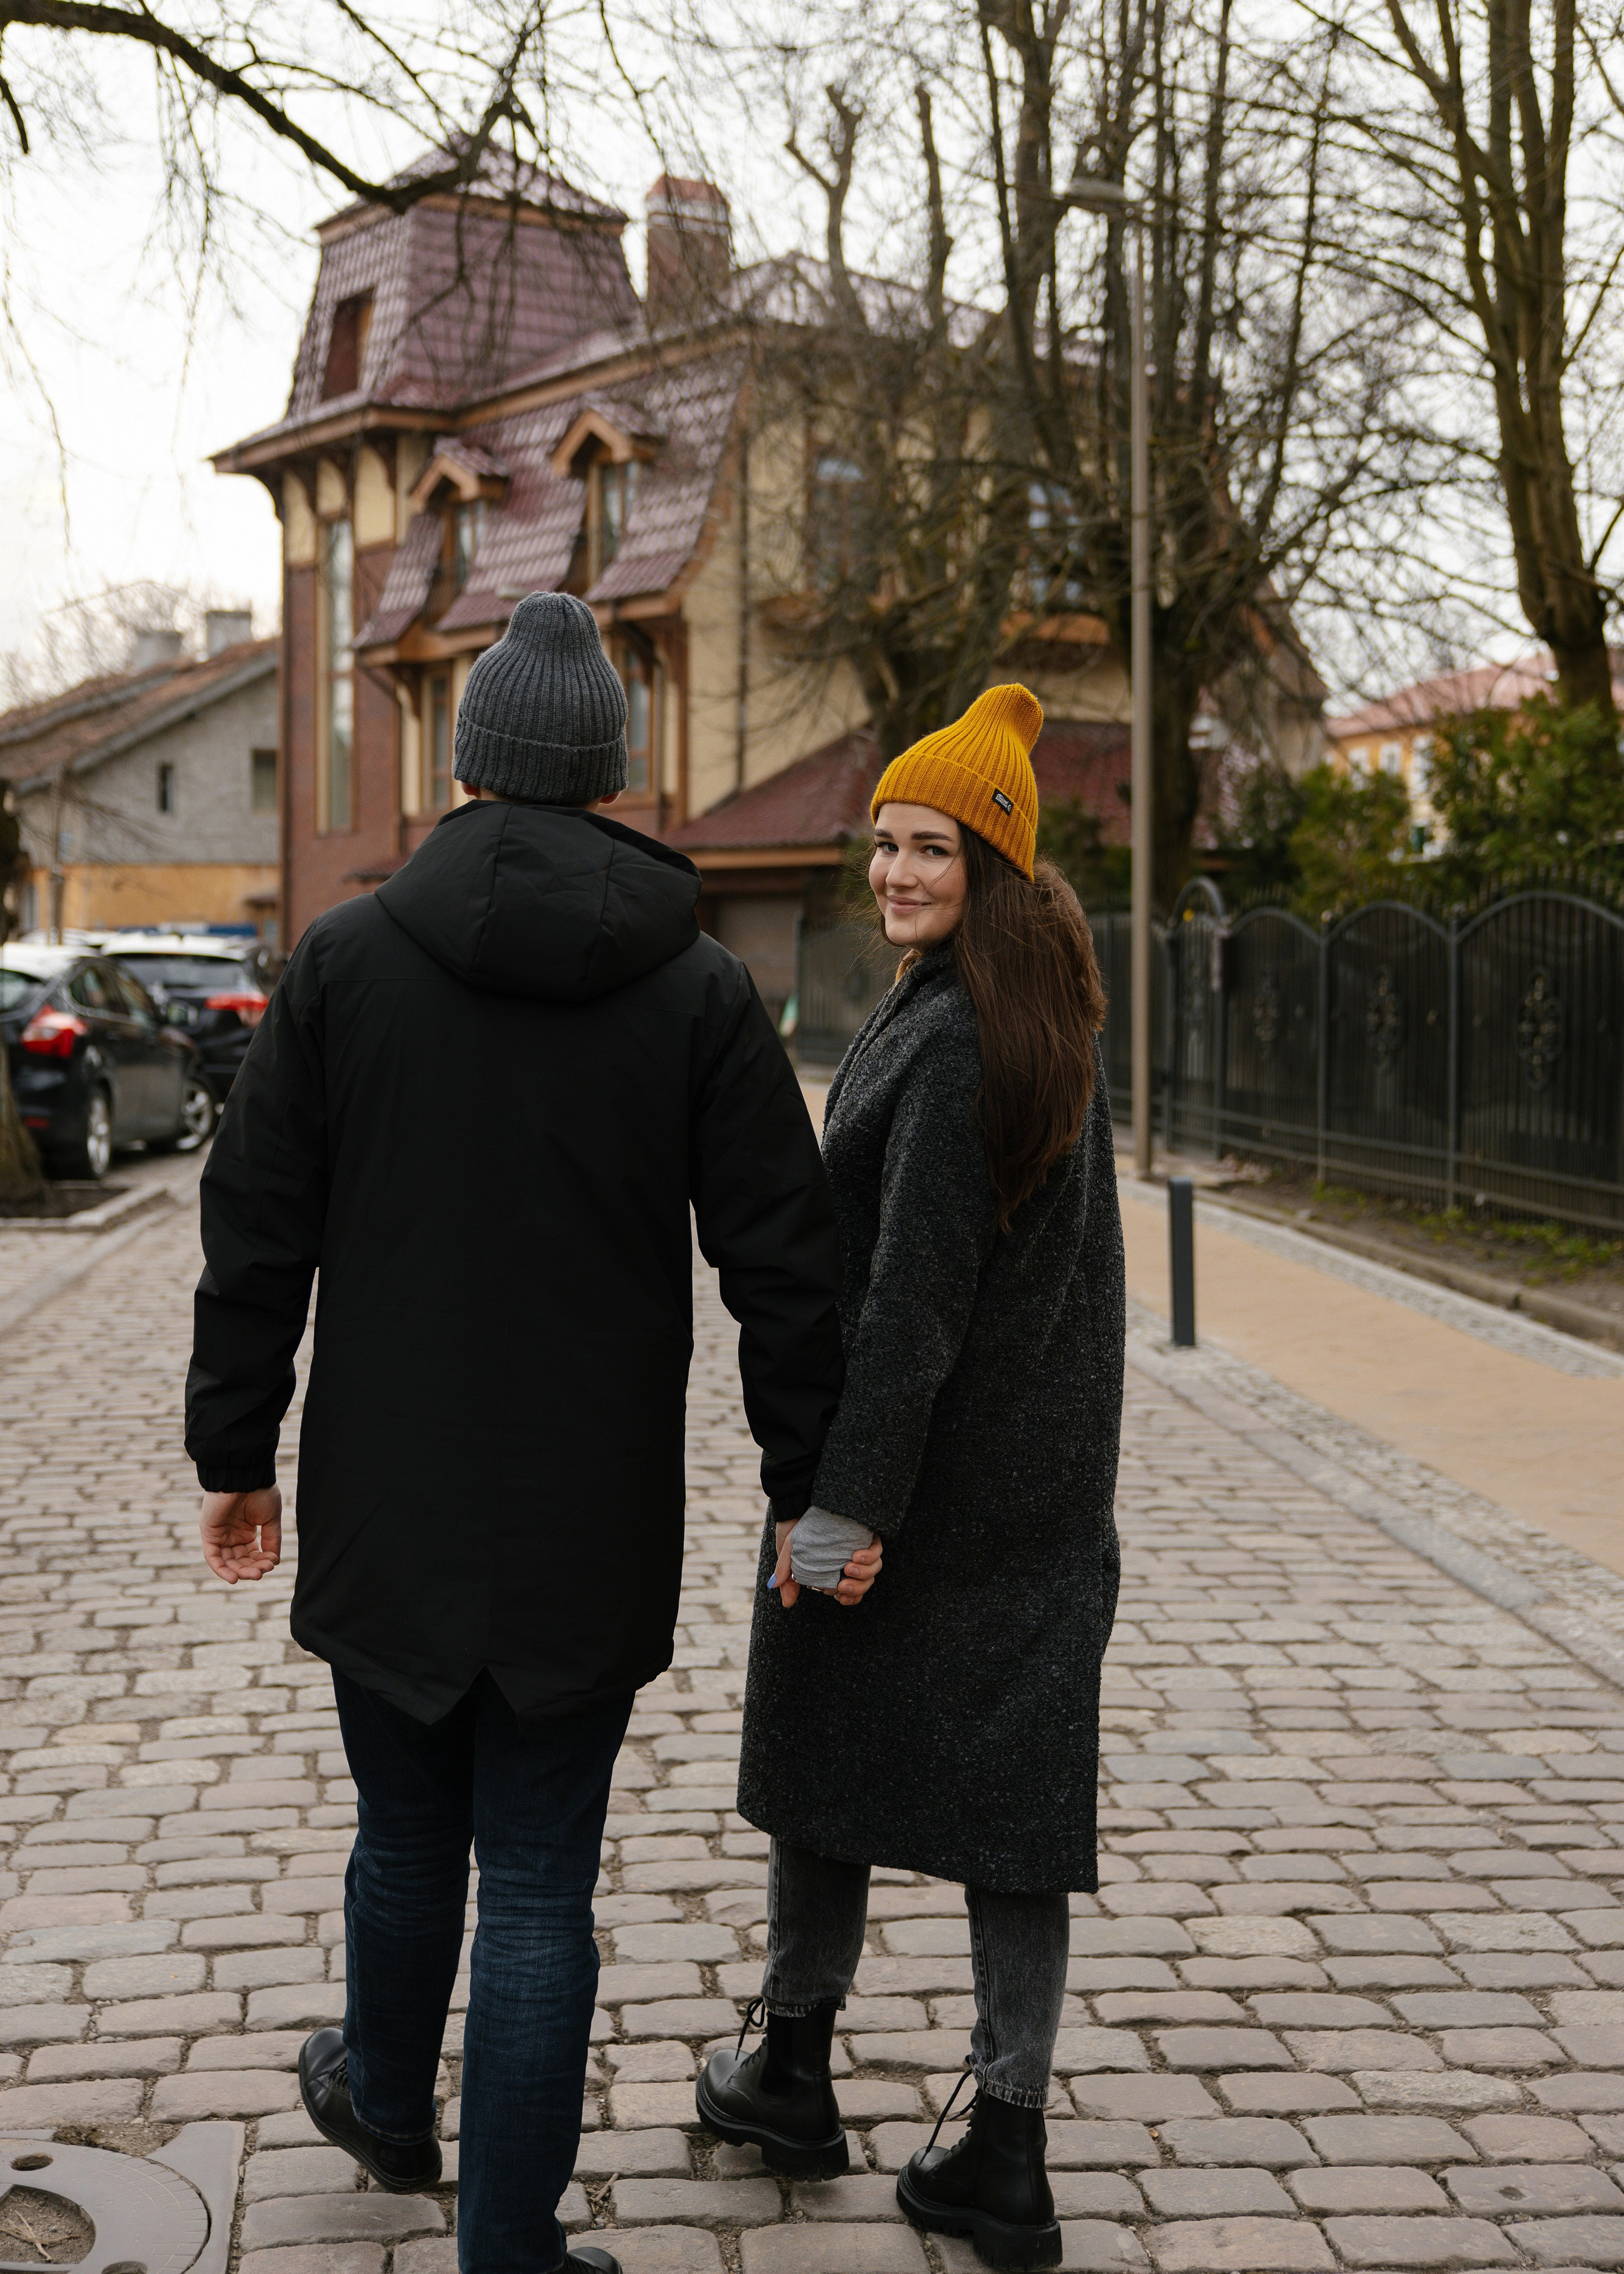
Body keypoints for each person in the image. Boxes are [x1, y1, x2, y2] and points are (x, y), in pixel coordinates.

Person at [184, 592, 875, 2274]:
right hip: (588, 1513)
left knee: (406, 1831)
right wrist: (813, 1490)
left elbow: (256, 1223)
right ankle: (509, 2243)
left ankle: (388, 2103)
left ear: (471, 771)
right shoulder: (702, 994)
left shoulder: (343, 965)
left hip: (388, 1504)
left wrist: (235, 1450)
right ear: (614, 782)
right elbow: (786, 1269)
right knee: (544, 1885)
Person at [698, 684, 1125, 2274]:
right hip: (1029, 1498)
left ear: (993, 860)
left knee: (828, 1759)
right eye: (880, 842)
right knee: (1011, 1814)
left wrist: (846, 1505)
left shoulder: (953, 1043)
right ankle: (991, 2139)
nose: (890, 871)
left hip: (926, 1493)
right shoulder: (1019, 1006)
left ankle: (798, 2068)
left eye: (926, 846)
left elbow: (912, 1300)